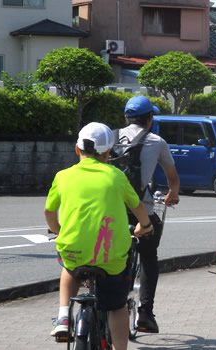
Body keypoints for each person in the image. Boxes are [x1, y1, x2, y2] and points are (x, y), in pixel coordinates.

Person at [45, 122, 153, 350]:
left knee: (68, 267)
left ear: (77, 149)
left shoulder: (63, 176)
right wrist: (145, 226)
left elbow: (48, 211)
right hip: (110, 257)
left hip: (74, 250)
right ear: (107, 153)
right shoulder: (116, 176)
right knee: (116, 305)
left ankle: (64, 316)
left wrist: (57, 230)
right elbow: (138, 206)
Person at [119, 95, 180, 333]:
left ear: (126, 117)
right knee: (148, 257)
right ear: (150, 118)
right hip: (142, 212)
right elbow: (172, 178)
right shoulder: (156, 141)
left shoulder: (111, 137)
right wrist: (172, 195)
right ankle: (145, 312)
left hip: (112, 212)